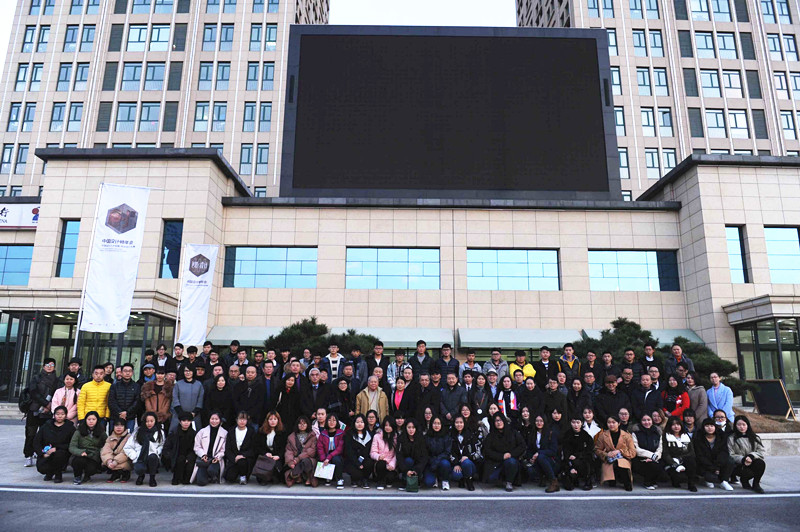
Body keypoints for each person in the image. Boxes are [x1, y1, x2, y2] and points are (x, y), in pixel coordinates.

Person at [24, 357, 60, 467]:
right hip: (34, 409)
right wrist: (45, 403)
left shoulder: (57, 380)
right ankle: (28, 455)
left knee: (45, 434)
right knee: (30, 433)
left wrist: (49, 406)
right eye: (47, 365)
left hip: (48, 412)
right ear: (43, 366)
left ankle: (41, 453)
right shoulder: (36, 378)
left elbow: (56, 394)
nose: (49, 367)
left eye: (52, 365)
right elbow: (33, 392)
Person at [482, 412, 526, 492]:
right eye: (496, 421)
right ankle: (501, 479)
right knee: (491, 478)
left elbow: (522, 446)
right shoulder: (491, 436)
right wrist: (501, 456)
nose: (499, 423)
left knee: (511, 462)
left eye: (500, 420)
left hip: (511, 460)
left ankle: (509, 482)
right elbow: (487, 451)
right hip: (496, 462)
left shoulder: (513, 433)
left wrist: (510, 454)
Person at [32, 405, 75, 483]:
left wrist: (57, 448)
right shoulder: (46, 426)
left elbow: (72, 443)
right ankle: (49, 472)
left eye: (62, 414)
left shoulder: (70, 427)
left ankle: (58, 474)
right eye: (57, 414)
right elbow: (37, 441)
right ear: (54, 415)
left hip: (62, 452)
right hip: (46, 451)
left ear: (66, 415)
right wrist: (42, 453)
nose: (60, 416)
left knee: (58, 455)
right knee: (42, 468)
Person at [594, 415, 635, 491]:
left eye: (613, 422)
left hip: (623, 458)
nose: (611, 424)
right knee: (612, 464)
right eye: (609, 422)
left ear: (619, 423)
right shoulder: (603, 435)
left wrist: (620, 451)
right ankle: (612, 479)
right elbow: (597, 450)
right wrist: (607, 454)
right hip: (609, 459)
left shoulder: (627, 435)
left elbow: (632, 452)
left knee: (621, 464)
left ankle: (626, 482)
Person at [124, 411, 165, 487]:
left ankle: (152, 478)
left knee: (153, 457)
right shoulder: (137, 432)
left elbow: (161, 445)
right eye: (147, 421)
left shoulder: (160, 432)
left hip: (152, 457)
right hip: (140, 457)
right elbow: (127, 447)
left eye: (151, 421)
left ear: (155, 421)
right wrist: (135, 456)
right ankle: (141, 476)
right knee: (140, 468)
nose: (149, 423)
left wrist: (157, 451)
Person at [728, 415, 766, 493]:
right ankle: (744, 480)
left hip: (752, 460)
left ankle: (756, 484)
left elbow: (761, 451)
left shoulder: (755, 438)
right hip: (739, 464)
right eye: (739, 425)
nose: (741, 427)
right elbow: (730, 454)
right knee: (748, 473)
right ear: (735, 426)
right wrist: (743, 459)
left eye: (744, 424)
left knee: (760, 463)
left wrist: (751, 456)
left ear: (747, 425)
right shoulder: (731, 438)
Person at [694, 417, 735, 491]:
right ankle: (708, 479)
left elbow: (724, 452)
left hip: (718, 464)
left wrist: (717, 466)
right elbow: (700, 456)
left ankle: (724, 481)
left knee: (730, 461)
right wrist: (712, 468)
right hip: (705, 465)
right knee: (712, 478)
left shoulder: (721, 436)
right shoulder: (698, 437)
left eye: (712, 426)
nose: (710, 428)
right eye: (707, 426)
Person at [69, 411, 107, 485]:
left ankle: (87, 476)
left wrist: (100, 454)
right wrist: (80, 452)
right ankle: (77, 476)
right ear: (85, 420)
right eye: (89, 419)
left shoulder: (101, 431)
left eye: (93, 419)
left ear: (97, 420)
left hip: (94, 455)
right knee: (78, 461)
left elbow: (106, 444)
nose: (91, 421)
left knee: (92, 468)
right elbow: (72, 446)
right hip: (81, 454)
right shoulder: (79, 431)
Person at [662, 415, 697, 491]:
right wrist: (675, 463)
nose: (676, 427)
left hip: (685, 460)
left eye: (678, 424)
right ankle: (675, 480)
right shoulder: (665, 436)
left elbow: (692, 452)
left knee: (691, 461)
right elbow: (665, 453)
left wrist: (681, 459)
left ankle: (691, 484)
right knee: (678, 477)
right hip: (671, 462)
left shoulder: (686, 436)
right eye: (673, 425)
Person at [192, 411, 228, 486]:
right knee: (201, 482)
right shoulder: (202, 431)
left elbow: (223, 450)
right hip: (204, 459)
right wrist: (203, 455)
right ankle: (207, 476)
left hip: (215, 459)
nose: (214, 421)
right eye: (212, 419)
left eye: (216, 419)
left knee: (212, 470)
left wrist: (218, 457)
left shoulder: (224, 433)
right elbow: (197, 447)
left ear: (220, 420)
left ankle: (213, 475)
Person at [561, 416, 595, 491]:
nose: (575, 425)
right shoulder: (567, 434)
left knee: (587, 461)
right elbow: (565, 449)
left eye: (578, 422)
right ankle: (572, 479)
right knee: (569, 486)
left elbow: (589, 449)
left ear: (581, 423)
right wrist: (570, 466)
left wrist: (577, 455)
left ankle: (587, 481)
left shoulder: (585, 435)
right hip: (570, 460)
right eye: (573, 422)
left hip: (582, 459)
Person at [162, 412, 197, 485]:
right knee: (180, 460)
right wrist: (171, 456)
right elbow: (167, 447)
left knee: (186, 480)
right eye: (184, 421)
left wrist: (189, 458)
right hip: (176, 456)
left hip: (189, 456)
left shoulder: (194, 434)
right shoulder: (174, 433)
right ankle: (176, 477)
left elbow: (195, 448)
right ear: (180, 422)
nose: (186, 423)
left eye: (188, 421)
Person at [224, 411, 258, 485]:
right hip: (234, 458)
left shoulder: (251, 431)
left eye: (244, 419)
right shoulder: (231, 431)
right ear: (236, 420)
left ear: (247, 420)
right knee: (229, 478)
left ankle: (243, 476)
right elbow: (228, 448)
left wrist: (243, 455)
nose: (242, 421)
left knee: (242, 462)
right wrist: (234, 458)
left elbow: (254, 448)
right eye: (240, 419)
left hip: (246, 459)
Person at [254, 411, 287, 485]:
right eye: (270, 419)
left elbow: (284, 447)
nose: (273, 421)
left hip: (277, 457)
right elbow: (257, 446)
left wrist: (278, 456)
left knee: (276, 478)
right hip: (265, 457)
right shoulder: (261, 431)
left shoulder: (282, 432)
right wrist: (265, 453)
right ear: (267, 420)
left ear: (278, 420)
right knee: (261, 478)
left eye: (275, 419)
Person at [631, 413, 663, 489]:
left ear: (652, 421)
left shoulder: (657, 432)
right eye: (644, 420)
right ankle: (647, 483)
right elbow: (636, 449)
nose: (647, 422)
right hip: (640, 458)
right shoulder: (635, 433)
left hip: (656, 458)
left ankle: (653, 480)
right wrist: (651, 455)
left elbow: (660, 448)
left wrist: (654, 457)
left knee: (659, 465)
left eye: (649, 420)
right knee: (649, 465)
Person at [284, 416, 318, 487]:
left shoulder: (312, 436)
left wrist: (298, 459)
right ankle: (298, 475)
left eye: (304, 423)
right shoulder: (291, 437)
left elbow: (312, 451)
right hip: (295, 459)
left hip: (308, 458)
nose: (302, 425)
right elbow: (289, 450)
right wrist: (290, 461)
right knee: (288, 464)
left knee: (306, 461)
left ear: (308, 424)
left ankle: (305, 476)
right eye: (300, 423)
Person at [448, 414, 480, 491]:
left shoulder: (471, 435)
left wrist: (468, 457)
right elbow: (449, 452)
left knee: (466, 462)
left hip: (470, 463)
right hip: (457, 463)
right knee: (456, 475)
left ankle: (469, 481)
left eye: (461, 422)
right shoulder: (450, 436)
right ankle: (461, 479)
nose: (459, 424)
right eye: (457, 422)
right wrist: (456, 464)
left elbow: (478, 452)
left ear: (464, 423)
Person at [316, 412, 346, 489]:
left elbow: (340, 448)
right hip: (326, 454)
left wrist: (329, 457)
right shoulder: (323, 434)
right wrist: (324, 458)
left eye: (334, 420)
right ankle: (327, 477)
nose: (331, 422)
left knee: (336, 459)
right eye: (329, 420)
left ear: (337, 422)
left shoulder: (341, 433)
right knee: (320, 458)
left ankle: (339, 479)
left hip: (337, 454)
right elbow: (320, 448)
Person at [108, 363, 140, 433]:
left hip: (130, 417)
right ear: (121, 373)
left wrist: (127, 413)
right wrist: (120, 413)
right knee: (113, 437)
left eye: (130, 371)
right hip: (115, 416)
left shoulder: (136, 386)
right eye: (125, 371)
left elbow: (137, 402)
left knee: (128, 437)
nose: (127, 373)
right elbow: (111, 401)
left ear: (132, 373)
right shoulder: (114, 386)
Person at [344, 414, 374, 488]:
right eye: (357, 422)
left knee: (370, 462)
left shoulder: (369, 434)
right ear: (354, 423)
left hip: (365, 460)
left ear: (365, 423)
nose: (359, 424)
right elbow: (349, 451)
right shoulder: (349, 434)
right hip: (352, 461)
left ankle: (365, 479)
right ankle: (355, 479)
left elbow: (369, 450)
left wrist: (362, 462)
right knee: (356, 473)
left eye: (362, 422)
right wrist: (357, 463)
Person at [397, 418, 428, 490]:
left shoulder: (421, 438)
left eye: (413, 427)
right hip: (406, 464)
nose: (411, 430)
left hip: (418, 465)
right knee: (408, 460)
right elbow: (399, 455)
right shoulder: (401, 438)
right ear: (406, 428)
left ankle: (417, 480)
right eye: (409, 427)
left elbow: (424, 456)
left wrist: (417, 469)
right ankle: (405, 481)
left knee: (429, 482)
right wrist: (406, 470)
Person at [423, 416, 452, 490]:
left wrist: (436, 461)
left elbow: (447, 452)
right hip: (430, 463)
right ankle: (435, 477)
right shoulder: (427, 437)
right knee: (429, 483)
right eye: (434, 423)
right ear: (431, 424)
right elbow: (424, 452)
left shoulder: (446, 436)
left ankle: (445, 480)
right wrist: (431, 461)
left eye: (439, 423)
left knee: (445, 463)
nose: (436, 425)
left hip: (441, 461)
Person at [536, 416, 562, 493]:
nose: (539, 423)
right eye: (537, 421)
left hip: (551, 461)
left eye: (541, 421)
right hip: (537, 460)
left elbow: (553, 451)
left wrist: (539, 453)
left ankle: (553, 481)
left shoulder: (550, 433)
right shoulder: (533, 433)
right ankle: (542, 477)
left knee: (541, 457)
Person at [101, 418, 133, 483]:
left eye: (121, 426)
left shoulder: (129, 437)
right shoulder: (110, 438)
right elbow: (105, 451)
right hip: (112, 459)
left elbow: (126, 453)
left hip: (124, 460)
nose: (119, 428)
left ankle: (125, 474)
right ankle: (115, 474)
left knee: (123, 464)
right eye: (116, 425)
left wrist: (115, 461)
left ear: (125, 427)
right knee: (105, 462)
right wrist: (109, 460)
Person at [232, 366, 264, 430]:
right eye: (248, 372)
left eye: (252, 372)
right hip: (240, 416)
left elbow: (260, 403)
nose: (250, 374)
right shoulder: (239, 385)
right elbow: (235, 400)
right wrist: (241, 413)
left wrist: (250, 414)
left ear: (256, 374)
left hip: (254, 418)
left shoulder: (260, 386)